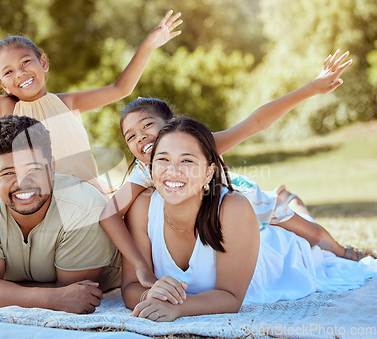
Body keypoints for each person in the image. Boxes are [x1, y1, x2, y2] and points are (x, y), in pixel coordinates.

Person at [100, 50, 360, 291]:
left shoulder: (200, 142)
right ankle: (286, 197)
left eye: (147, 125)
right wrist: (140, 265)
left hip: (237, 197)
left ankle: (342, 248)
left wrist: (312, 88)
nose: (141, 137)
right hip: (203, 213)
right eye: (130, 136)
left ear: (171, 124)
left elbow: (255, 122)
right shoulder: (143, 172)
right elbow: (108, 215)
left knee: (313, 235)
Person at [0, 10, 182, 191]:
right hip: (44, 200)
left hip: (86, 195)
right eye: (8, 72)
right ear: (1, 84)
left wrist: (150, 43)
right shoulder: (6, 107)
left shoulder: (67, 101)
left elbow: (120, 89)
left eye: (26, 62)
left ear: (44, 62)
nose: (20, 73)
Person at [122, 117, 376, 321]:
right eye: (163, 160)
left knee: (316, 246)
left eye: (186, 160)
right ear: (150, 167)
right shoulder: (142, 209)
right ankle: (286, 200)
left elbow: (232, 297)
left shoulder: (233, 207)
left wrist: (178, 307)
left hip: (280, 255)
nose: (172, 171)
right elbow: (131, 287)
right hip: (253, 233)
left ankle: (291, 202)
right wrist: (148, 295)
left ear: (210, 171)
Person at [0, 115, 121, 314]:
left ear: (52, 168)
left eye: (33, 169)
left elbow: (72, 294)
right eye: (8, 172)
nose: (23, 182)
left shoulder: (83, 205)